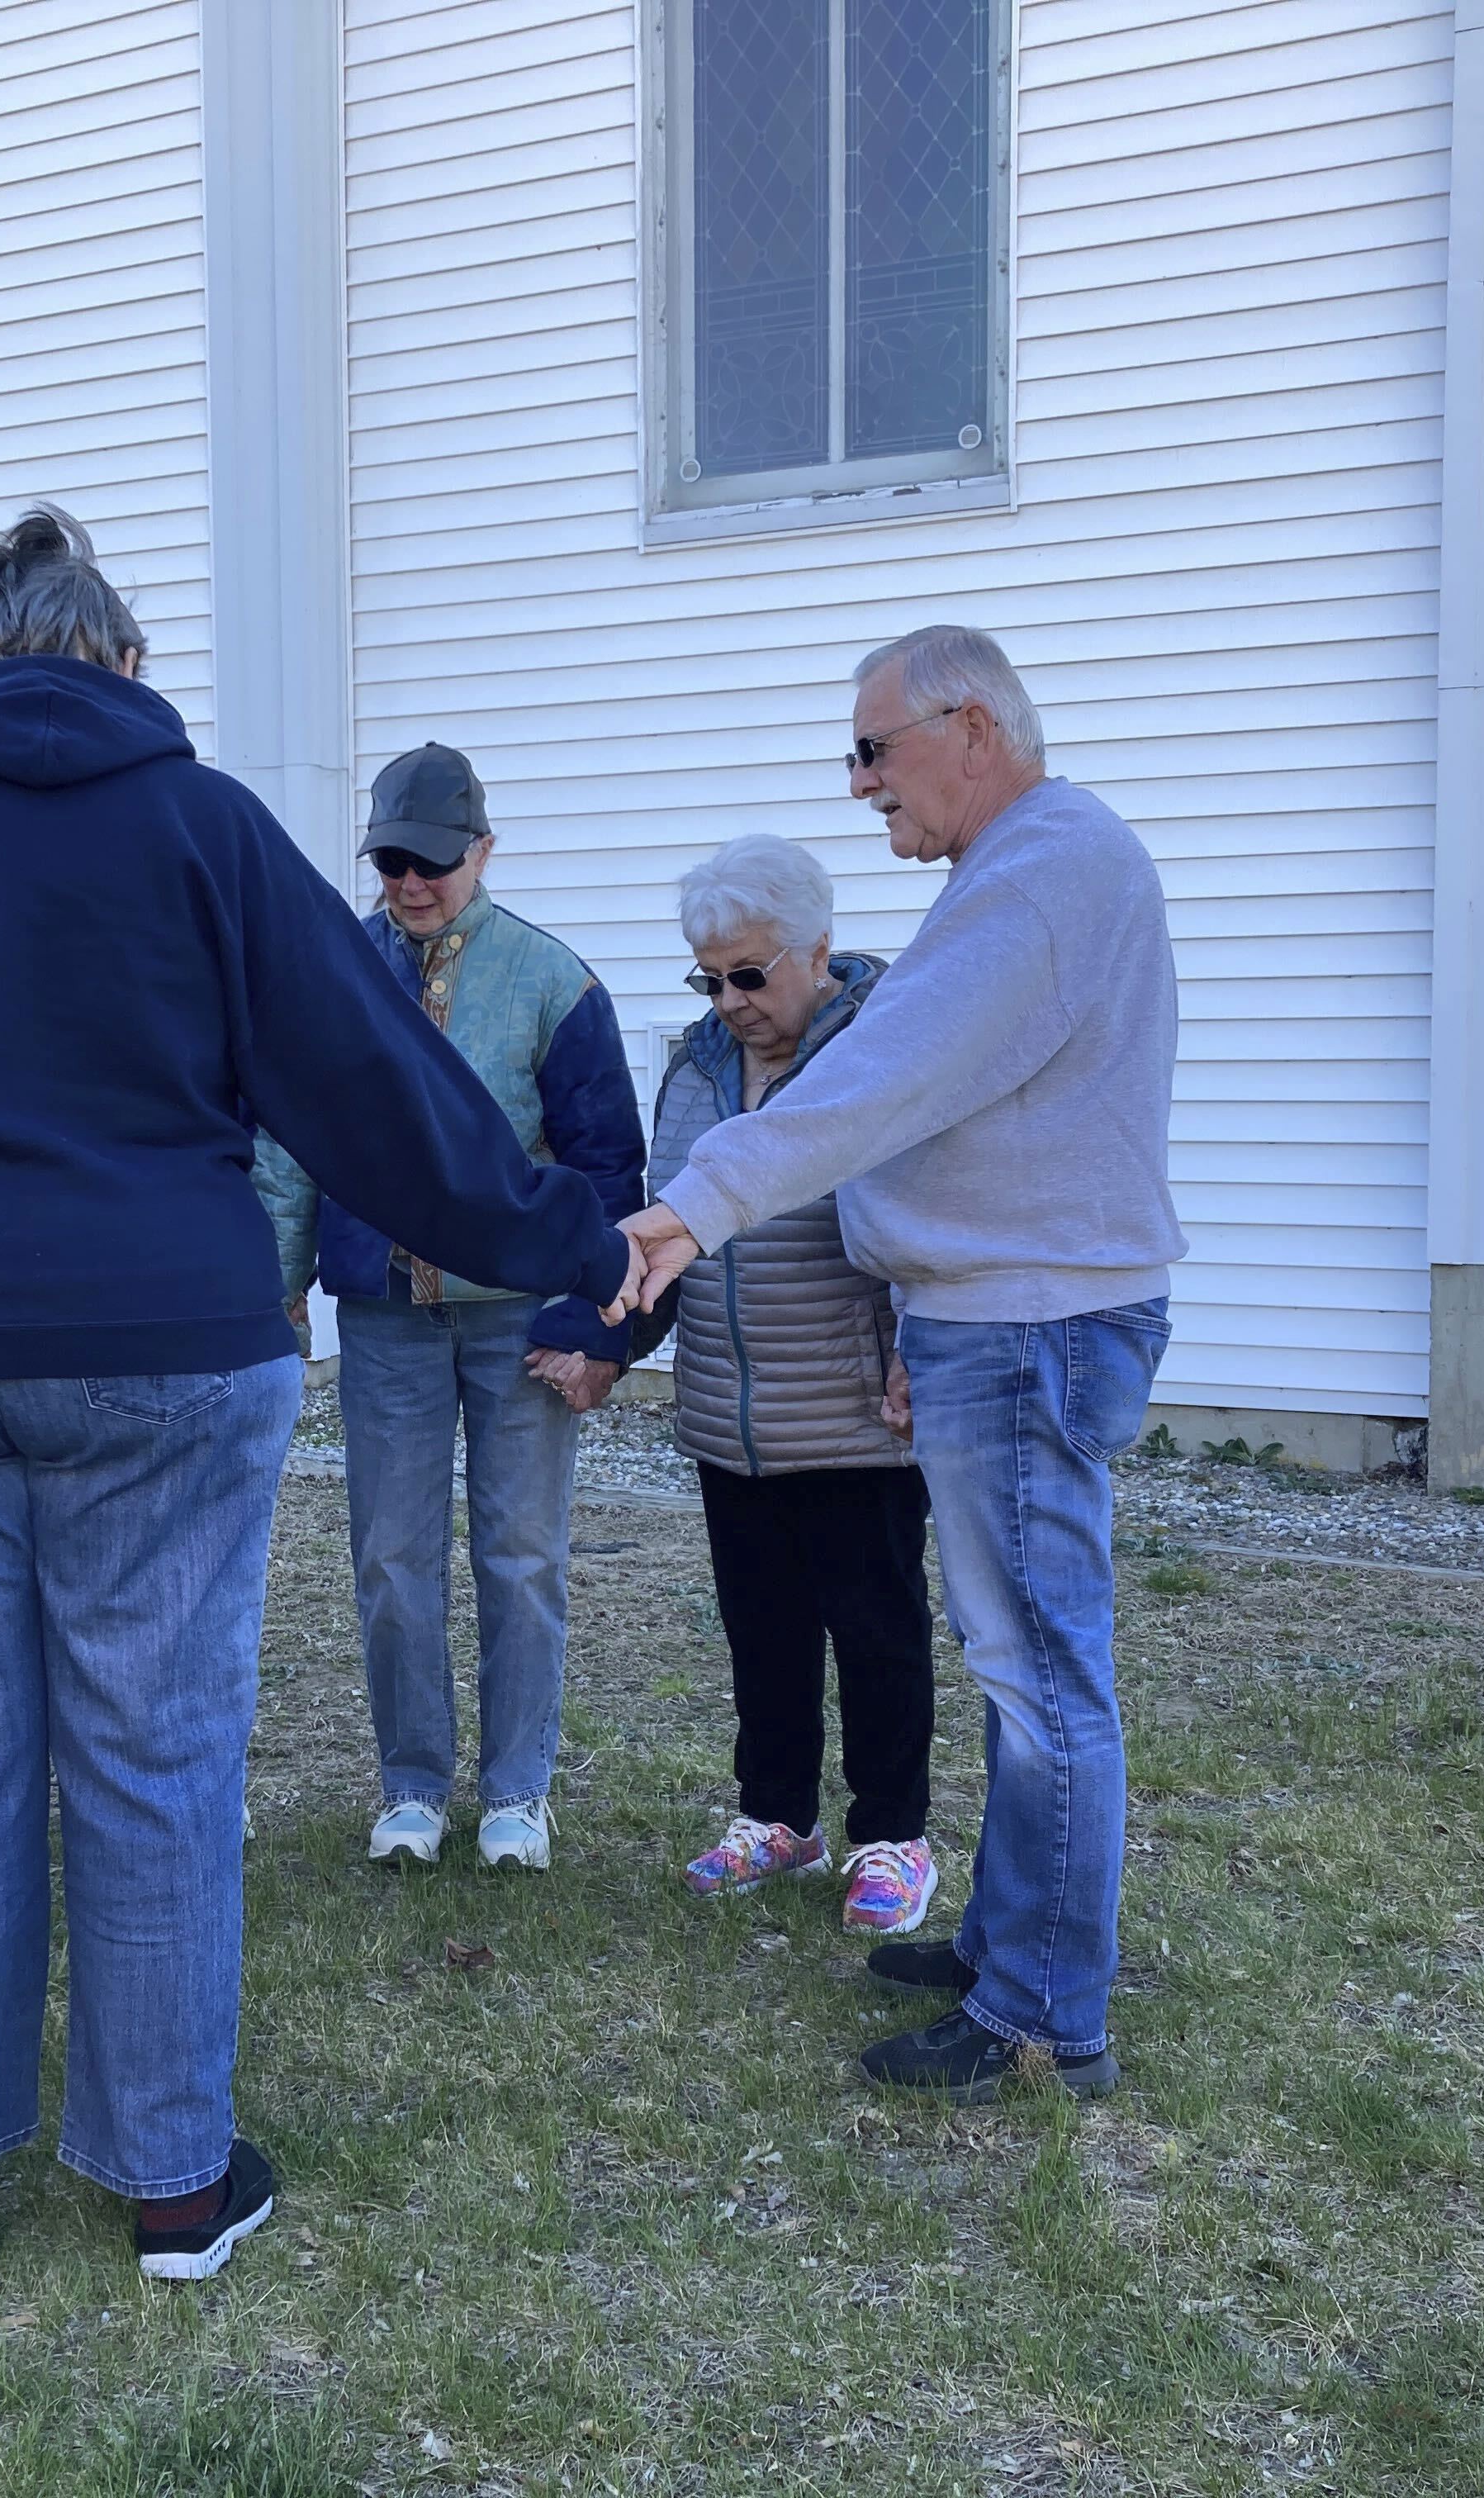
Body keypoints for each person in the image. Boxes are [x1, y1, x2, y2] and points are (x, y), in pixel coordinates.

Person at [0, 506, 636, 2283]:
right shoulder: (206, 828)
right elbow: (371, 1087)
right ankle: (171, 2190)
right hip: (159, 1343)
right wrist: (563, 1236)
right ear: (121, 657)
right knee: (155, 1753)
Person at [619, 626, 1183, 2105]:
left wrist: (698, 1199)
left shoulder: (1045, 874)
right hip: (1000, 1318)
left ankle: (1042, 2012)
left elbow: (879, 1073)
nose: (860, 784)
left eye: (875, 749)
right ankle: (1012, 1937)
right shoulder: (1021, 873)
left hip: (1026, 1326)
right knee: (1022, 1670)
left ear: (974, 726)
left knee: (1042, 1675)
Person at [252, 745, 645, 1876]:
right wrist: (276, 1295)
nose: (411, 885)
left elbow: (608, 1170)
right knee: (389, 1556)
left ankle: (518, 1791)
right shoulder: (331, 976)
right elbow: (287, 1150)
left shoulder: (552, 984)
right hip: (382, 1317)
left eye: (432, 863)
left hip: (519, 1317)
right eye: (390, 864)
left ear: (482, 850)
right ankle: (412, 1786)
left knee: (522, 1556)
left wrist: (596, 1325)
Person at [637, 835, 938, 1934]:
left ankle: (891, 1838)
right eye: (709, 978)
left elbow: (929, 1207)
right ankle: (778, 1819)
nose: (729, 1001)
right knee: (760, 1626)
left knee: (876, 1629)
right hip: (733, 1411)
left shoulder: (889, 1049)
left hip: (856, 1408)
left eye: (751, 976)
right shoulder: (695, 1066)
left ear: (818, 950)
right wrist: (608, 1342)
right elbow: (668, 1215)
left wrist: (917, 1345)